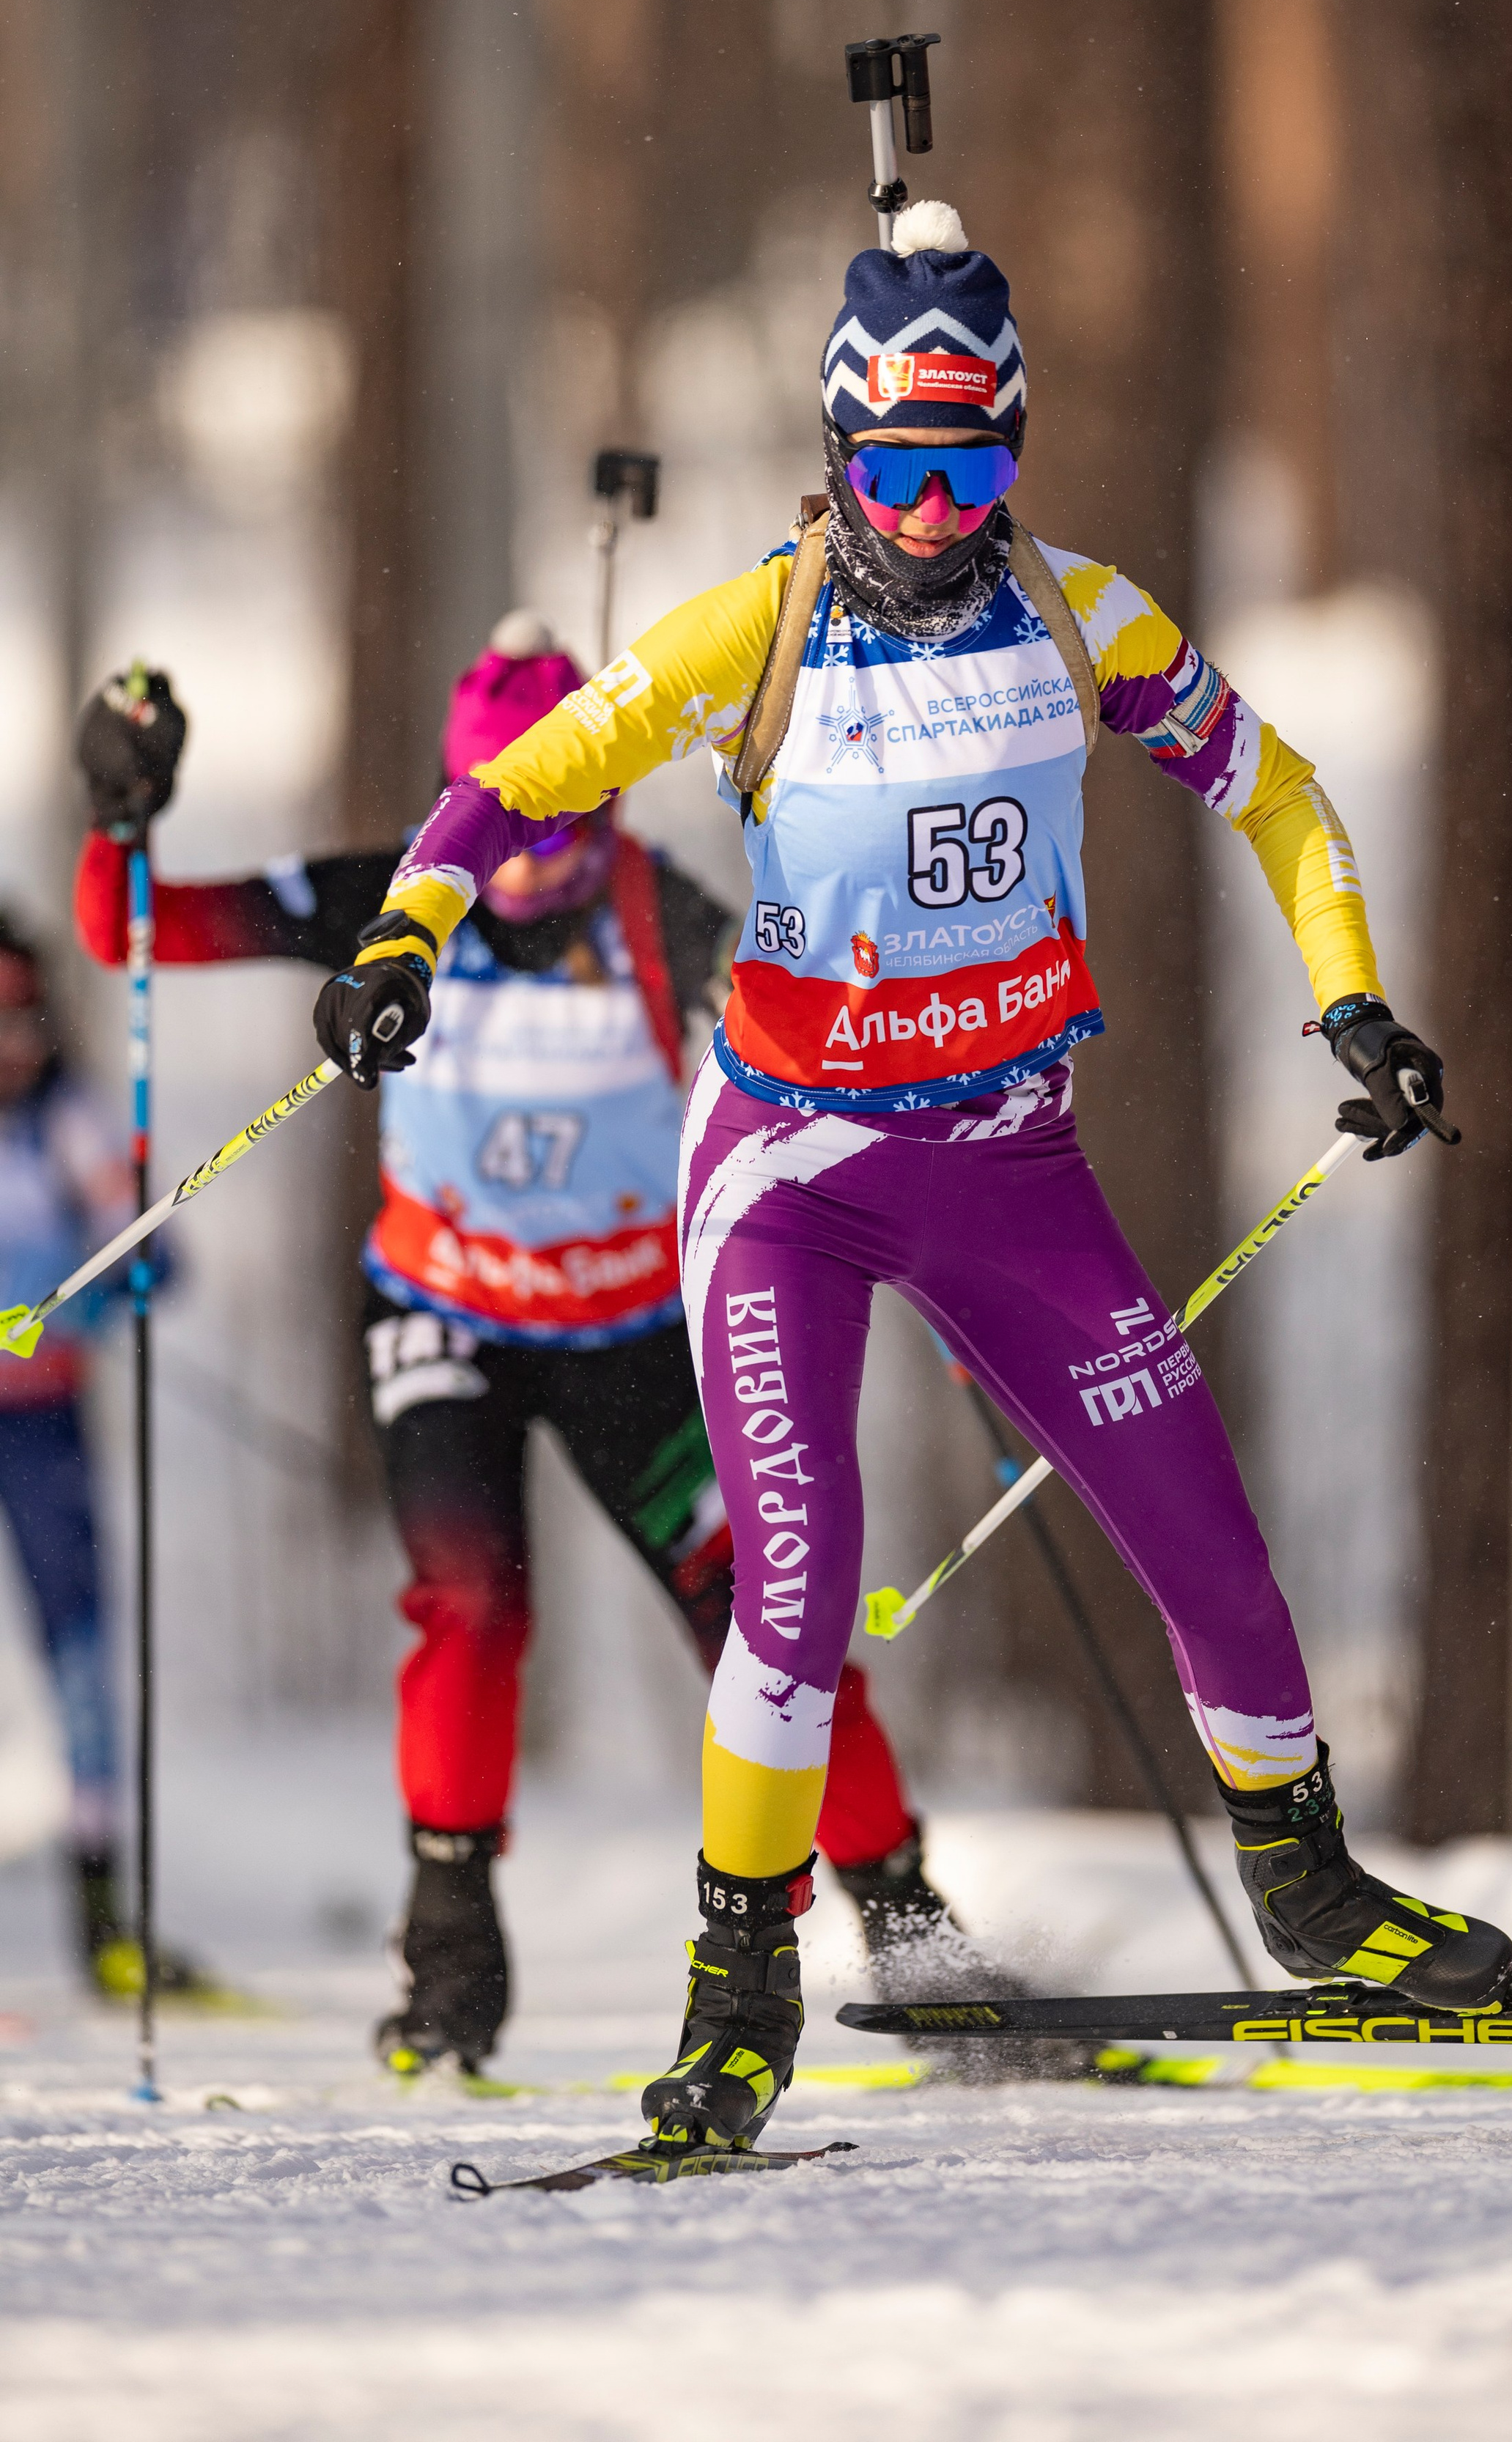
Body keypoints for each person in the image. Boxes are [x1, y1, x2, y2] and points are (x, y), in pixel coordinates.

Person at [311, 197, 1512, 2157]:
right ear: (838, 449)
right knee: (796, 1597)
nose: (940, 510)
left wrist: (1352, 1007)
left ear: (1015, 452)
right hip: (790, 1179)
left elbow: (1282, 791)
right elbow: (520, 780)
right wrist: (403, 933)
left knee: (1210, 1550)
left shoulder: (1083, 615)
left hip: (1012, 1166)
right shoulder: (762, 622)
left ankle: (1311, 1891)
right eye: (900, 467)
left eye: (975, 466)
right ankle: (738, 1998)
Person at [75, 613, 970, 2077]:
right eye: (510, 810)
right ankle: (451, 1970)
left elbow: (820, 1053)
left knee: (765, 1614)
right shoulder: (391, 895)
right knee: (472, 1610)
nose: (536, 851)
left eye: (572, 809)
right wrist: (119, 809)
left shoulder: (652, 909)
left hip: (629, 1331)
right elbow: (132, 934)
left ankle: (915, 1934)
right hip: (446, 1320)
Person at [0, 905, 198, 1993]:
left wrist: (89, 1293)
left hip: (42, 1429)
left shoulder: (68, 1123)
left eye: (21, 1013)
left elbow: (157, 1260)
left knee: (81, 1659)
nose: (10, 1042)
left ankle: (101, 1916)